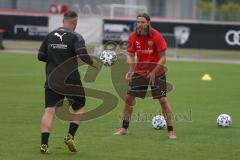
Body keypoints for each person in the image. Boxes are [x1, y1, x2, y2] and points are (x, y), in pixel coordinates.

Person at [38, 11, 99, 154]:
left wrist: (54, 60)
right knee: (79, 107)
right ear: (75, 23)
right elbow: (82, 54)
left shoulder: (50, 35)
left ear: (63, 20)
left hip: (52, 78)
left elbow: (40, 56)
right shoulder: (76, 36)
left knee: (49, 111)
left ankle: (44, 145)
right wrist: (93, 63)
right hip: (70, 80)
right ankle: (70, 135)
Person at [114, 13, 176, 139]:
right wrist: (131, 70)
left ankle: (171, 131)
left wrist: (153, 72)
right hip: (140, 72)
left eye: (142, 22)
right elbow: (131, 55)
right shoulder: (133, 36)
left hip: (157, 72)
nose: (140, 25)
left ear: (148, 22)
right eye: (138, 22)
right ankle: (124, 128)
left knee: (163, 100)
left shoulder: (156, 36)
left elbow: (163, 58)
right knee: (129, 99)